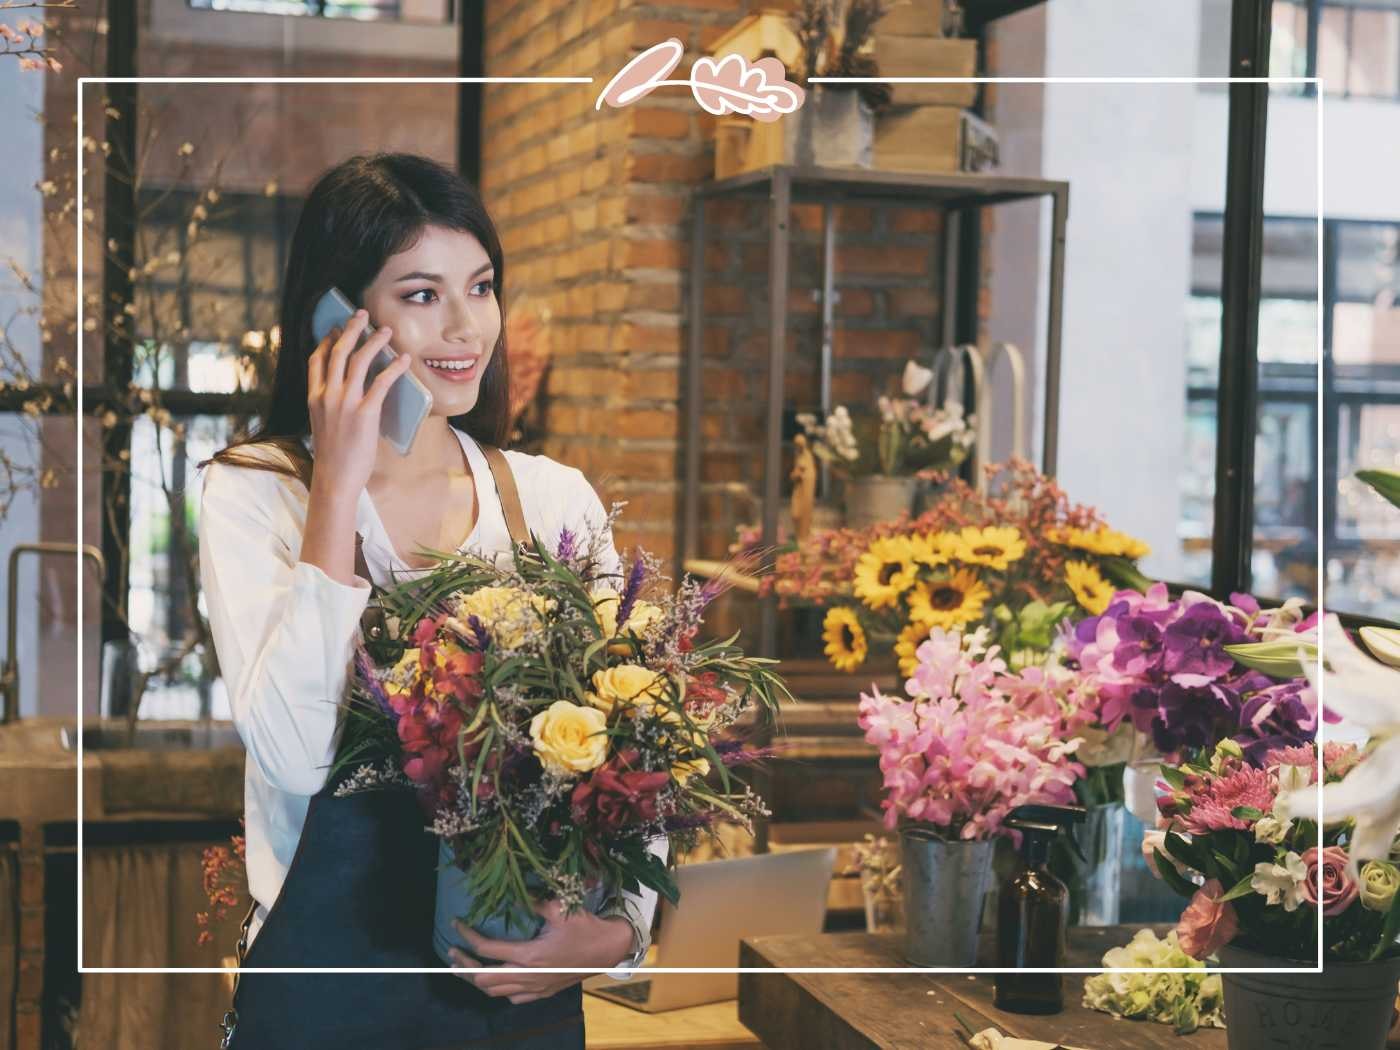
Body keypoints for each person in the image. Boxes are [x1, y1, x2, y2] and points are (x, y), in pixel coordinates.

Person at [196, 152, 663, 1050]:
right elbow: (295, 760)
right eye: (420, 295)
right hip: (325, 1004)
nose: (465, 327)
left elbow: (638, 751)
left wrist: (622, 931)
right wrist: (336, 482)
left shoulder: (553, 502)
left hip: (516, 998)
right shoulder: (256, 491)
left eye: (480, 286)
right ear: (340, 317)